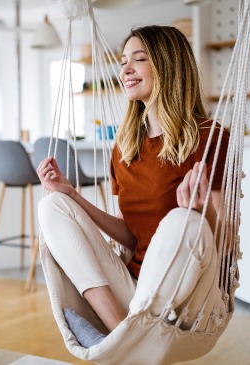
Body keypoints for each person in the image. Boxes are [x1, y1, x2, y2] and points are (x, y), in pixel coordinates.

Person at [36, 25, 230, 349]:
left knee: (181, 221)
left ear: (167, 66)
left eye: (138, 60)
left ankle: (127, 340)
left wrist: (199, 211)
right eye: (123, 60)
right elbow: (131, 235)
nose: (124, 69)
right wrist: (71, 195)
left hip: (186, 298)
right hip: (134, 293)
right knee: (51, 204)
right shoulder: (125, 148)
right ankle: (119, 335)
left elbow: (222, 240)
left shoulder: (209, 137)